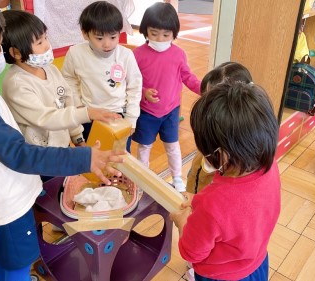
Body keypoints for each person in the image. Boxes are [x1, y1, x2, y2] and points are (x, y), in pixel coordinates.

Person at [0, 1, 124, 280]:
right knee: (18, 264)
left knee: (6, 257)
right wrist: (85, 157)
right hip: (3, 205)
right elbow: (17, 153)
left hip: (3, 197)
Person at [170, 82, 281, 281]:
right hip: (257, 264)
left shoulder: (212, 204)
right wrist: (197, 200)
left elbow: (191, 253)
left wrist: (182, 221)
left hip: (219, 276)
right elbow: (242, 211)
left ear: (221, 155)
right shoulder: (270, 166)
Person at [1, 10, 120, 182]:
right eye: (40, 42)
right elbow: (46, 118)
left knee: (64, 187)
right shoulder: (17, 83)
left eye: (46, 38)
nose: (47, 46)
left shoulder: (50, 69)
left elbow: (67, 105)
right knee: (50, 193)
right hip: (40, 156)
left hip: (61, 148)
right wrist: (87, 113)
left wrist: (78, 138)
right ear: (16, 53)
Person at [132, 2, 201, 192]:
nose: (160, 39)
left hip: (171, 111)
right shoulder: (137, 55)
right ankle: (142, 178)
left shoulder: (179, 54)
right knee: (144, 147)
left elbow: (188, 77)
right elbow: (131, 82)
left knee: (173, 146)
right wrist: (144, 92)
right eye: (154, 33)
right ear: (145, 30)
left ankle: (177, 177)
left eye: (166, 35)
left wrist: (205, 89)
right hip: (146, 112)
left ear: (174, 34)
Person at [61, 1, 142, 152]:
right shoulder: (75, 53)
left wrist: (131, 118)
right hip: (89, 115)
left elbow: (135, 87)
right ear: (85, 33)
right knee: (92, 156)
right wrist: (78, 105)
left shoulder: (126, 55)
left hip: (118, 115)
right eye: (99, 38)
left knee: (120, 158)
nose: (107, 44)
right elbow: (68, 79)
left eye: (113, 37)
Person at [186, 61, 253, 194]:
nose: (207, 107)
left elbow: (199, 184)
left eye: (214, 101)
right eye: (205, 98)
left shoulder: (222, 153)